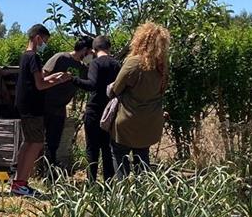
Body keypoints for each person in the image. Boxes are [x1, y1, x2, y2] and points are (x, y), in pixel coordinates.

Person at [11, 24, 72, 197]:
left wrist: (53, 76)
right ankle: (22, 183)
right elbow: (40, 84)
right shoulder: (35, 57)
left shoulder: (25, 56)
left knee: (28, 142)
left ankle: (17, 182)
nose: (45, 44)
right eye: (44, 40)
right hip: (33, 106)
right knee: (36, 143)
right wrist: (60, 82)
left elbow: (39, 78)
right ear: (37, 38)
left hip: (24, 105)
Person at [109, 22, 170, 176]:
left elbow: (116, 89)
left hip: (128, 121)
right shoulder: (162, 66)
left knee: (119, 156)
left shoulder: (134, 62)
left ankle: (121, 197)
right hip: (150, 122)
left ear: (140, 40)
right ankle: (142, 195)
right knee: (142, 158)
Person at [41, 35, 94, 171]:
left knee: (54, 141)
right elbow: (43, 75)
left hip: (60, 108)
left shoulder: (82, 67)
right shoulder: (61, 57)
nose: (90, 56)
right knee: (36, 140)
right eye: (90, 53)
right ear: (84, 50)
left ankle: (50, 169)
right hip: (45, 104)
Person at [77, 35, 121, 182]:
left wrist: (73, 79)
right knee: (107, 149)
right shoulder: (117, 65)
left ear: (94, 50)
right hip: (110, 112)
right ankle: (108, 184)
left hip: (94, 111)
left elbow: (92, 84)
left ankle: (91, 184)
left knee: (92, 149)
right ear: (109, 48)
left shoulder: (95, 64)